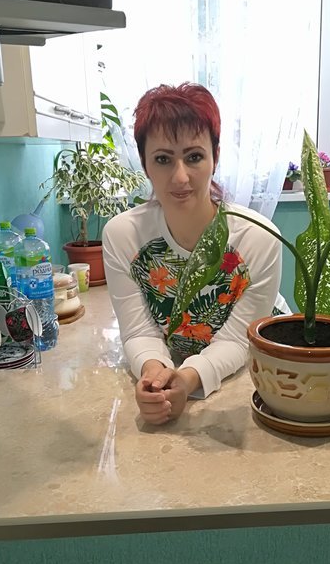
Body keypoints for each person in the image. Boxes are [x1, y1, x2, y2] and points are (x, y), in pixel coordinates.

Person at [103, 82, 289, 425]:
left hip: (254, 374)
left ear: (215, 157)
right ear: (144, 163)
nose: (180, 177)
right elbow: (139, 331)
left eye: (194, 157)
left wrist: (187, 380)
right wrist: (155, 377)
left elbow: (239, 340)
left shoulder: (258, 237)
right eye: (163, 159)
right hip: (177, 362)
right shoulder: (123, 236)